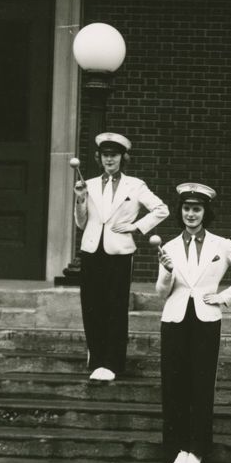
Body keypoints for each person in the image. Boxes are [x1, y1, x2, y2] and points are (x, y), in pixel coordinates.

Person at [156, 183, 231, 463]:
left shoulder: (221, 245)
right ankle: (177, 448)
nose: (191, 214)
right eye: (187, 209)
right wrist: (165, 270)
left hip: (206, 319)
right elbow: (161, 292)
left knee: (201, 385)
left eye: (197, 209)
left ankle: (197, 449)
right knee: (174, 384)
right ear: (181, 212)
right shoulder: (170, 247)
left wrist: (224, 298)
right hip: (174, 320)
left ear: (206, 212)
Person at [74, 132, 169, 382]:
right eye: (105, 156)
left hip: (120, 252)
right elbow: (82, 223)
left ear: (123, 158)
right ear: (99, 158)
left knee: (116, 307)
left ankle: (113, 362)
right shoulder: (89, 184)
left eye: (114, 155)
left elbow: (162, 209)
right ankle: (96, 359)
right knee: (92, 306)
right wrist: (81, 199)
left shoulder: (134, 185)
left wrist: (135, 227)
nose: (109, 160)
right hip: (92, 250)